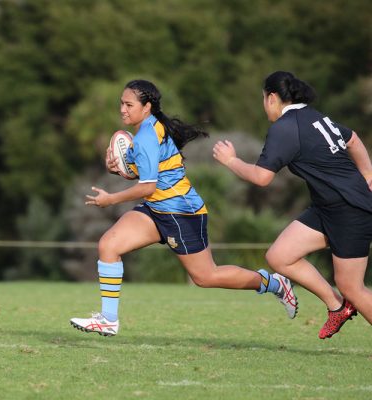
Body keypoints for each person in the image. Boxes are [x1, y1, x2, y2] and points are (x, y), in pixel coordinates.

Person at [70, 79, 297, 337]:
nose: (122, 109)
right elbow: (148, 176)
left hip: (182, 213)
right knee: (108, 245)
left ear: (146, 107)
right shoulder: (150, 128)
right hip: (157, 209)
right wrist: (119, 168)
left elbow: (147, 186)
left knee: (206, 277)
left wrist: (111, 199)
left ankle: (273, 283)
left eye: (128, 104)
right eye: (121, 103)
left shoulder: (145, 137)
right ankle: (108, 319)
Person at [213, 70, 372, 339]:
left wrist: (230, 161)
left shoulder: (284, 128)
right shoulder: (315, 116)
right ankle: (336, 307)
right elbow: (353, 139)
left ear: (272, 97)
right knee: (279, 257)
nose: (264, 106)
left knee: (352, 287)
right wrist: (367, 173)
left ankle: (343, 301)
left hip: (349, 209)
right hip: (327, 208)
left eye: (263, 99)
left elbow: (262, 178)